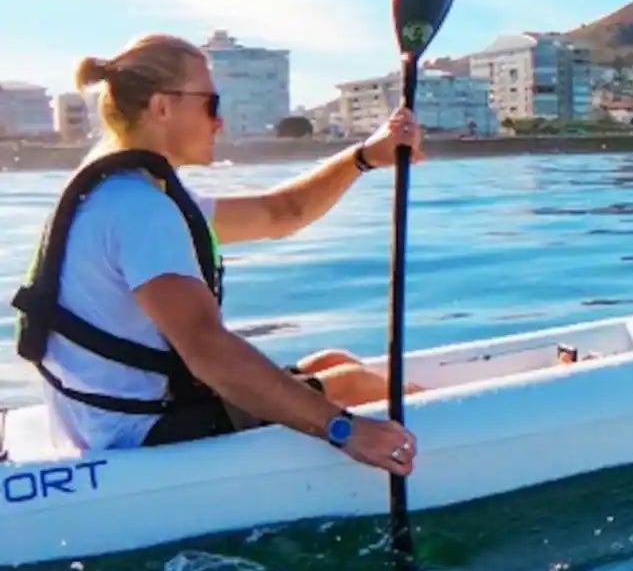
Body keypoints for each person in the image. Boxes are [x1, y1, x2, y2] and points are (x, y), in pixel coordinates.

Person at [12, 33, 419, 477]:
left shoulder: (121, 192)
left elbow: (281, 212)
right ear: (162, 107)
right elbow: (206, 348)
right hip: (141, 436)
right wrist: (344, 430)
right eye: (211, 103)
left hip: (102, 420)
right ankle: (442, 429)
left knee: (332, 363)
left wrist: (363, 157)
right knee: (352, 385)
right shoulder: (142, 210)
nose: (219, 122)